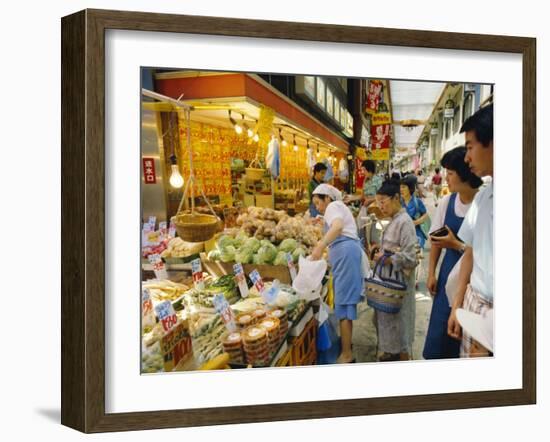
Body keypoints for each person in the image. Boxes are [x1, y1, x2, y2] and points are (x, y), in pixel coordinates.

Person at [423, 146, 483, 360]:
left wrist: (456, 244)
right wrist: (431, 273)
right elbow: (436, 242)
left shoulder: (482, 203)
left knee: (460, 337)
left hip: (472, 283)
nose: (445, 178)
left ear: (464, 173)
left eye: (450, 172)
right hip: (447, 274)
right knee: (439, 334)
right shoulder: (448, 202)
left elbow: (482, 251)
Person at [447, 104, 494, 357]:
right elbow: (470, 255)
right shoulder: (484, 197)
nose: (467, 158)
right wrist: (457, 306)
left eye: (469, 147)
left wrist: (490, 337)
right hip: (473, 303)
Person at [310, 184, 365, 364]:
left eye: (318, 203)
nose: (318, 207)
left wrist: (320, 245)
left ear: (327, 198)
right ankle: (347, 347)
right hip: (346, 256)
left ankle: (347, 355)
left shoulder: (333, 207)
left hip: (346, 256)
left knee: (344, 305)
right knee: (345, 304)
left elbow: (338, 226)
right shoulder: (337, 207)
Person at [370, 179, 418, 361]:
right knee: (388, 322)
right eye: (378, 202)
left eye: (383, 201)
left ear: (396, 198)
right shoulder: (394, 220)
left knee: (401, 326)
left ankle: (404, 360)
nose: (380, 206)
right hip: (389, 284)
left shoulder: (405, 222)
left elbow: (411, 258)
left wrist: (387, 258)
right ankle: (391, 352)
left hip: (399, 286)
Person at [400, 176, 429, 249]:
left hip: (417, 234)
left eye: (403, 187)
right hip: (402, 234)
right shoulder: (398, 202)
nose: (401, 190)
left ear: (410, 188)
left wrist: (416, 222)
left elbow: (425, 215)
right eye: (400, 187)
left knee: (416, 255)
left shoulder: (417, 202)